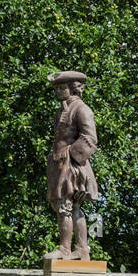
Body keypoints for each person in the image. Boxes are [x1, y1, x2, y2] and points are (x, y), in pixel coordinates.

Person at [44, 70, 99, 261]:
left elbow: (90, 139)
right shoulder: (62, 110)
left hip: (71, 165)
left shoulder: (82, 109)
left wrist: (71, 159)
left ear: (72, 88)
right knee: (70, 207)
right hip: (59, 164)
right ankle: (81, 249)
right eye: (57, 88)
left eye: (62, 88)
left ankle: (66, 249)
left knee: (65, 207)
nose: (59, 91)